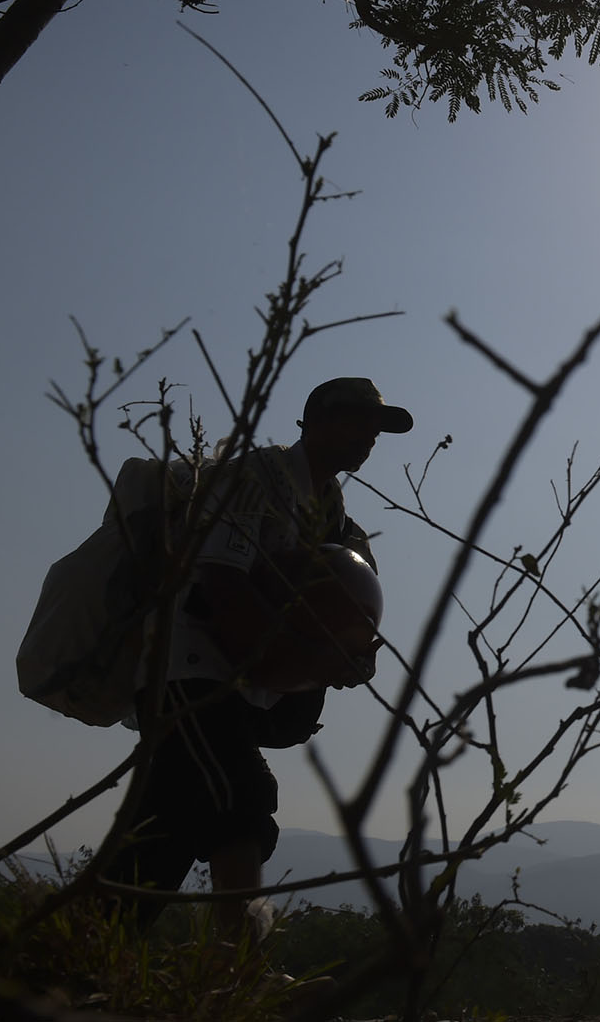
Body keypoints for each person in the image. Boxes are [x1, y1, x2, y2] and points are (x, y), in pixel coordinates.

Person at [103, 377, 411, 942]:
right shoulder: (256, 479)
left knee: (164, 836)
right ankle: (238, 965)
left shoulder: (338, 522)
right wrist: (287, 657)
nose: (369, 439)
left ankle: (64, 956)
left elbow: (346, 620)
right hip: (189, 671)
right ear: (315, 420)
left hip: (239, 688)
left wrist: (343, 661)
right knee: (240, 798)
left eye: (376, 430)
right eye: (358, 423)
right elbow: (220, 580)